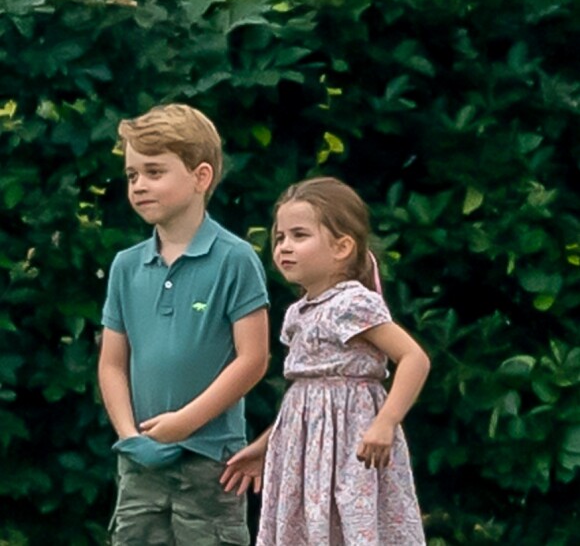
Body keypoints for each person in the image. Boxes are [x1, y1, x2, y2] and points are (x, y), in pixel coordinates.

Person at [221, 176, 430, 545]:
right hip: (305, 461)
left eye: (300, 236)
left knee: (351, 526)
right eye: (280, 237)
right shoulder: (298, 313)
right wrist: (268, 444)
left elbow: (413, 357)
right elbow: (308, 404)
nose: (284, 246)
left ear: (342, 247)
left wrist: (385, 423)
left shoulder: (353, 302)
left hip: (353, 451)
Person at [98, 103, 270, 546]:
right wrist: (129, 436)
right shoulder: (125, 266)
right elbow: (113, 364)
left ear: (201, 177)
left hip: (211, 461)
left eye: (154, 172)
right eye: (132, 175)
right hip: (139, 463)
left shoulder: (236, 259)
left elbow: (253, 359)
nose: (139, 186)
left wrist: (185, 423)